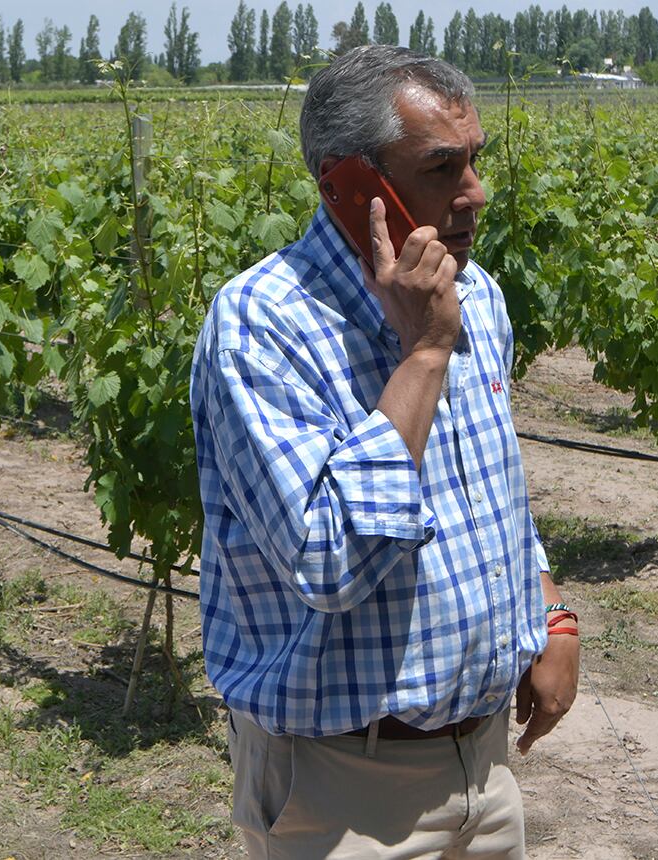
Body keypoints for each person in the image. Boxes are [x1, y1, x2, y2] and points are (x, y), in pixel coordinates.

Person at [189, 46, 580, 860]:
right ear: (351, 184)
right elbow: (330, 561)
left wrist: (548, 610)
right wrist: (424, 356)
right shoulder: (263, 325)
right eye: (444, 168)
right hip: (342, 792)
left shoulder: (479, 295)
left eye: (477, 160)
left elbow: (490, 485)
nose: (478, 193)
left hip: (483, 766)